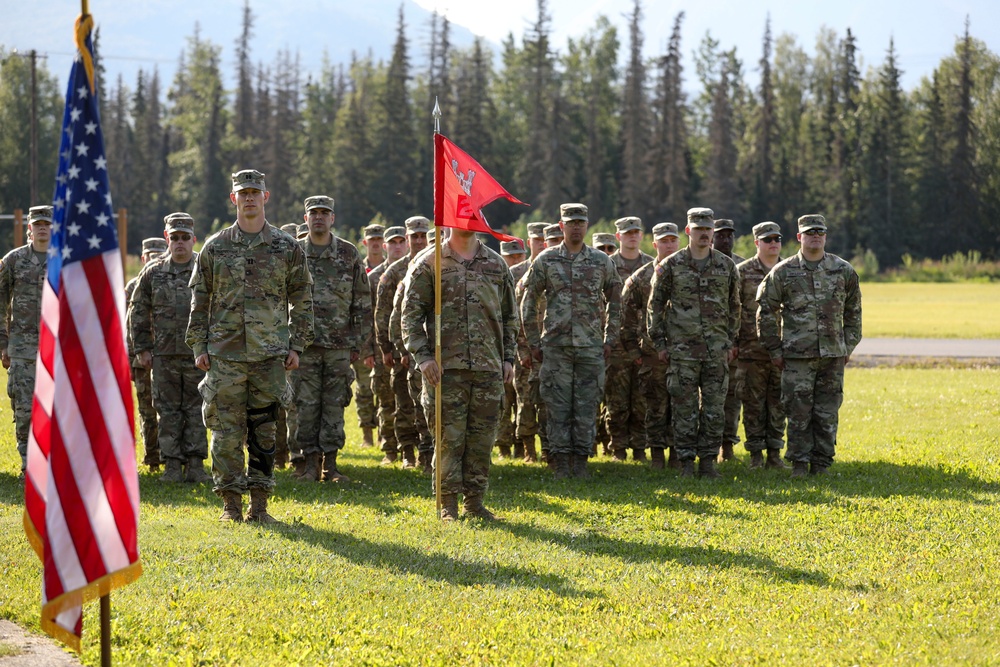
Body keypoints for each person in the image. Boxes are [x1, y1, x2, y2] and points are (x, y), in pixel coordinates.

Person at [187, 169, 313, 523]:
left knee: (265, 431)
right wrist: (199, 345)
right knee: (225, 433)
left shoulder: (287, 247)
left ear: (266, 196)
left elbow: (303, 298)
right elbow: (199, 300)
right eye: (243, 193)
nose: (249, 198)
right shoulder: (215, 246)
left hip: (269, 356)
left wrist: (297, 345)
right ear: (233, 199)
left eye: (255, 192)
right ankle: (230, 504)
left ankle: (259, 506)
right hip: (224, 355)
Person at [402, 226, 518, 520]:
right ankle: (448, 505)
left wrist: (507, 358)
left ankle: (475, 503)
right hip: (446, 369)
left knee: (481, 440)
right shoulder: (430, 262)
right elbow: (411, 315)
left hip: (488, 367)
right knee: (448, 439)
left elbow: (509, 316)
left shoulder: (496, 263)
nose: (467, 218)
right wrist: (424, 357)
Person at [756, 214, 862, 477]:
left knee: (827, 413)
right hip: (796, 357)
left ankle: (822, 464)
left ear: (825, 236)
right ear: (799, 237)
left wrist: (846, 346)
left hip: (832, 357)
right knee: (798, 412)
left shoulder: (843, 270)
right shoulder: (783, 272)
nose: (815, 236)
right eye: (810, 232)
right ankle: (800, 464)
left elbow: (854, 312)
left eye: (820, 232)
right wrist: (775, 349)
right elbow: (765, 311)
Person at [522, 203, 622, 479]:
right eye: (571, 222)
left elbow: (616, 302)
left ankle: (581, 463)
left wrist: (609, 338)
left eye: (581, 222)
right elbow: (528, 302)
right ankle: (561, 463)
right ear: (561, 225)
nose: (576, 226)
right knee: (557, 406)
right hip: (556, 347)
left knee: (587, 405)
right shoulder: (546, 260)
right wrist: (533, 342)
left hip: (591, 347)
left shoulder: (602, 261)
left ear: (587, 225)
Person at [648, 207, 740, 478]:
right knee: (684, 409)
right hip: (682, 352)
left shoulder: (726, 266)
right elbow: (655, 307)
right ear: (688, 231)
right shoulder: (671, 265)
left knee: (713, 409)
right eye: (698, 229)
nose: (704, 234)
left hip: (715, 351)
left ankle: (709, 462)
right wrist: (661, 345)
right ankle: (687, 462)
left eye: (708, 229)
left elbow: (735, 306)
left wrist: (730, 341)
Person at [292, 196, 372, 483]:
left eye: (324, 213)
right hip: (304, 347)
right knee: (306, 405)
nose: (319, 218)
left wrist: (357, 343)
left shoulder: (348, 253)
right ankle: (309, 465)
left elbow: (362, 302)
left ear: (333, 218)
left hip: (339, 346)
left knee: (335, 405)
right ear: (305, 218)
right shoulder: (295, 252)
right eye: (313, 213)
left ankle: (331, 467)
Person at [129, 213, 210, 483]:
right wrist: (142, 347)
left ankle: (196, 465)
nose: (180, 243)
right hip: (163, 356)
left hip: (199, 355)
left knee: (197, 410)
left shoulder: (206, 268)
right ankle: (172, 465)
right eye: (174, 237)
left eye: (185, 237)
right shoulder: (153, 272)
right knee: (167, 411)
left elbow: (221, 307)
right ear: (167, 238)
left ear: (193, 239)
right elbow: (138, 309)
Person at [620, 222, 680, 470]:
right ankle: (656, 455)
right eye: (663, 241)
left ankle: (678, 455)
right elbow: (626, 318)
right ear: (654, 244)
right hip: (651, 355)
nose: (668, 245)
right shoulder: (641, 278)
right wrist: (635, 352)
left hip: (684, 353)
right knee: (655, 407)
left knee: (681, 406)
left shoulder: (686, 272)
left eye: (672, 240)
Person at [374, 216, 430, 470]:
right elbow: (385, 314)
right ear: (407, 239)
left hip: (431, 349)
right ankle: (407, 450)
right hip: (403, 352)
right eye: (414, 236)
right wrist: (390, 348)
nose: (419, 241)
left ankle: (427, 453)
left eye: (422, 236)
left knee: (428, 404)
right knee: (404, 403)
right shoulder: (394, 272)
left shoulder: (437, 264)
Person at [0, 206, 51, 476]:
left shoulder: (67, 262)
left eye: (47, 223)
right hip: (22, 349)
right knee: (24, 409)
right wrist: (2, 342)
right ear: (29, 228)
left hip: (59, 351)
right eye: (37, 223)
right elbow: (0, 302)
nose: (42, 228)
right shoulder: (13, 260)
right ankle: (28, 464)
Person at [736, 222, 787, 469]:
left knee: (778, 404)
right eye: (767, 239)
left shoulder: (790, 270)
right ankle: (755, 455)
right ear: (757, 243)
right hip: (750, 351)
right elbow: (729, 310)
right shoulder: (741, 272)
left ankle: (775, 455)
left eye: (777, 238)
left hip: (783, 351)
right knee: (753, 405)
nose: (773, 243)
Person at [605, 216, 654, 462]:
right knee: (617, 399)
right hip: (615, 344)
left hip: (643, 343)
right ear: (618, 237)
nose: (632, 236)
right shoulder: (607, 264)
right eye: (627, 233)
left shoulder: (651, 265)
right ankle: (618, 448)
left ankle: (639, 448)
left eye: (636, 232)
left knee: (641, 399)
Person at [125, 236, 168, 473]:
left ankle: (170, 454)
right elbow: (127, 325)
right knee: (147, 412)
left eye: (158, 253)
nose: (154, 258)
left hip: (167, 356)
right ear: (143, 258)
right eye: (149, 254)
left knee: (168, 410)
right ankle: (152, 457)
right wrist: (132, 357)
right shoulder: (133, 286)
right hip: (142, 361)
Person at [368, 226, 407, 464]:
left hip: (406, 347)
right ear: (385, 246)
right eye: (393, 242)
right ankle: (390, 448)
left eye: (401, 241)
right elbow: (369, 316)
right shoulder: (375, 277)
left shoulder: (417, 267)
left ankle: (408, 447)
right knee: (386, 399)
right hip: (383, 348)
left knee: (406, 400)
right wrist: (371, 350)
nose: (398, 246)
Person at [712, 218, 746, 462]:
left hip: (734, 345)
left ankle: (728, 446)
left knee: (732, 398)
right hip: (707, 342)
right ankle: (707, 447)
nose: (725, 240)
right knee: (708, 398)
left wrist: (736, 342)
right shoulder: (702, 263)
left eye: (729, 235)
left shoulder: (741, 267)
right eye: (720, 235)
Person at [495, 240, 527, 460]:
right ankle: (504, 446)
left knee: (523, 399)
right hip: (501, 346)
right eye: (510, 255)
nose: (515, 259)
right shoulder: (496, 275)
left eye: (518, 255)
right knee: (504, 400)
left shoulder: (528, 273)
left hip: (522, 345)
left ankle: (521, 446)